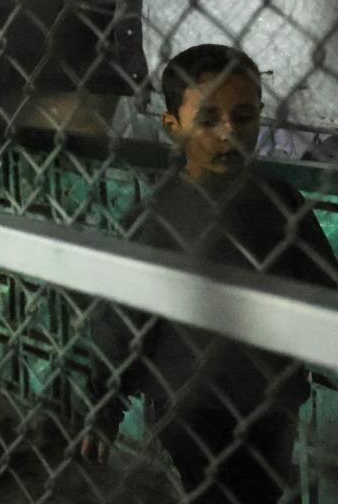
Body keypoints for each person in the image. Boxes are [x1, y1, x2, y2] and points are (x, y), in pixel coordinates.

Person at [81, 44, 338, 503]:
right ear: (173, 128)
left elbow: (324, 283)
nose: (229, 133)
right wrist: (103, 407)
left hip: (272, 402)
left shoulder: (280, 202)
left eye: (244, 117)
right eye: (207, 120)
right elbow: (121, 322)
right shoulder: (155, 220)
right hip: (193, 410)